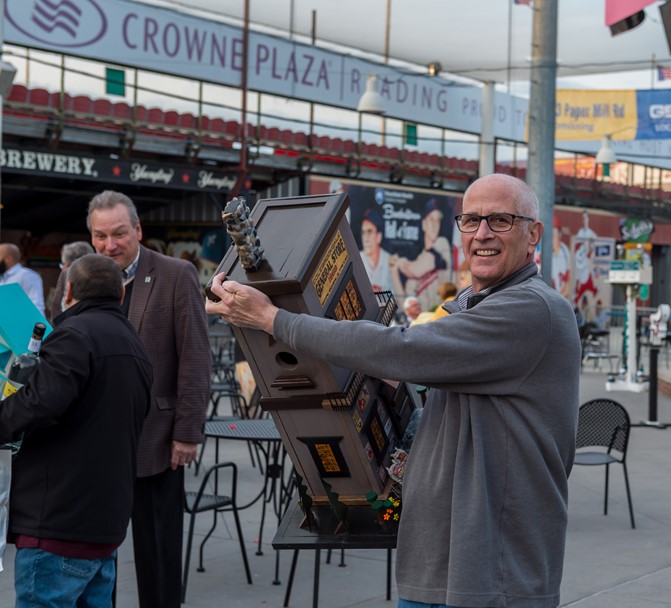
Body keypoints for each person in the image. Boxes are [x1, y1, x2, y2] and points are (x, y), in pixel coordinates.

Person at [206, 173, 581, 608]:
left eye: (500, 220)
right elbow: (434, 392)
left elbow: (398, 348)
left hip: (491, 575)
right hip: (438, 567)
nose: (482, 234)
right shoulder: (473, 306)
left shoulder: (532, 309)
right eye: (472, 220)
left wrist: (275, 320)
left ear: (533, 233)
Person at [1, 254, 152, 607]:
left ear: (68, 291)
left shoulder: (74, 337)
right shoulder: (136, 345)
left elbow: (38, 404)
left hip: (58, 526)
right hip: (103, 527)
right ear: (120, 295)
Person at [86, 190, 211, 608]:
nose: (110, 245)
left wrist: (188, 432)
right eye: (100, 236)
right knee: (93, 556)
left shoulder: (176, 274)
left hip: (156, 441)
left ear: (137, 230)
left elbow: (195, 356)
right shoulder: (83, 278)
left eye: (119, 233)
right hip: (97, 444)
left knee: (158, 553)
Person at [392, 198, 453, 311]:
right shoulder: (412, 279)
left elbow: (417, 269)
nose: (435, 225)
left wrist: (400, 263)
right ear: (424, 224)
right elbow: (405, 308)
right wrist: (394, 273)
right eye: (431, 220)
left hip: (442, 317)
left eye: (437, 220)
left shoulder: (442, 244)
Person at [49, 241, 95, 319]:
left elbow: (56, 309)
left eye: (62, 265)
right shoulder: (101, 277)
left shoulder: (65, 275)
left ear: (66, 265)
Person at [358, 207, 394, 294]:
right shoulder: (357, 259)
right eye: (363, 232)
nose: (365, 239)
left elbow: (396, 300)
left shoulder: (389, 261)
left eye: (369, 232)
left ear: (379, 237)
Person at [0, 243, 45, 312]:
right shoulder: (2, 277)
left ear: (8, 259)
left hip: (19, 321)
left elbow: (36, 306)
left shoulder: (27, 276)